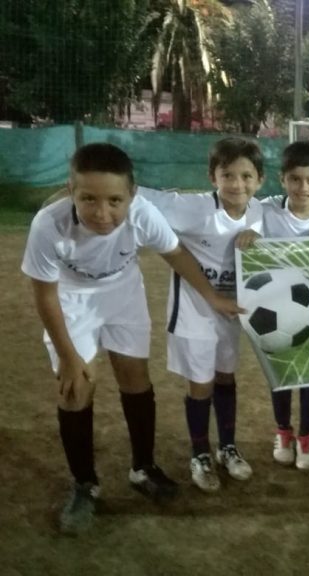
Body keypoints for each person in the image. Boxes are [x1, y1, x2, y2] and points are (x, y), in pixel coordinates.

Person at [21, 142, 242, 534]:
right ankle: (84, 484)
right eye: (88, 199)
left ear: (132, 194)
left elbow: (176, 254)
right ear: (71, 191)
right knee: (75, 388)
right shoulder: (48, 225)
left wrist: (212, 297)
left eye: (114, 201)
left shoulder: (142, 214)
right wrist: (69, 357)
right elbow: (45, 295)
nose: (102, 213)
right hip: (71, 299)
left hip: (123, 292)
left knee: (135, 378)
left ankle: (143, 468)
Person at [137, 137, 265, 493]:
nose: (237, 184)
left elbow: (297, 219)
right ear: (212, 177)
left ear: (260, 180)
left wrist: (255, 233)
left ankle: (228, 447)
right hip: (194, 313)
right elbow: (140, 196)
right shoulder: (193, 208)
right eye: (227, 175)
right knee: (201, 384)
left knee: (226, 376)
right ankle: (200, 454)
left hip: (231, 313)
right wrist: (76, 189)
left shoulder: (261, 212)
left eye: (246, 176)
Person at [245, 141, 309, 470]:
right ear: (282, 179)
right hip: (273, 312)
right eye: (295, 179)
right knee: (280, 374)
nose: (303, 187)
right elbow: (246, 230)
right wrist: (249, 235)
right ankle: (283, 431)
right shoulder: (265, 210)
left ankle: (307, 436)